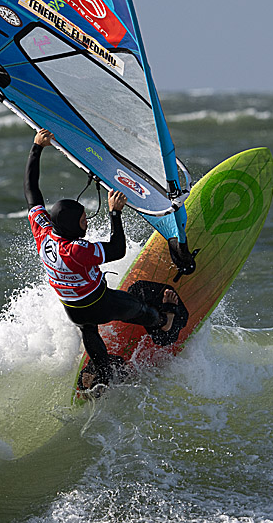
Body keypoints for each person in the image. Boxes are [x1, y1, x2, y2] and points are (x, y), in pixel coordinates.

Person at [25, 128, 180, 390]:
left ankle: (103, 369)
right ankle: (164, 323)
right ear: (74, 226)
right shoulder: (76, 252)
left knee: (88, 329)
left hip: (72, 307)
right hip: (99, 302)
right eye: (83, 219)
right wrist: (115, 213)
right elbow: (117, 250)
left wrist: (37, 147)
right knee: (139, 309)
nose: (87, 221)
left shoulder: (43, 231)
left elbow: (31, 190)